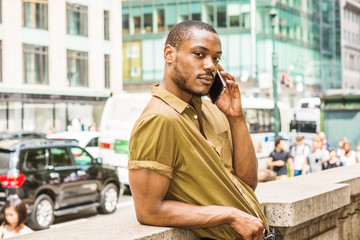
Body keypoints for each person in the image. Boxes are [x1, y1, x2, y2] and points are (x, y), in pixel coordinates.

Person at [128, 20, 273, 240]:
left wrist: (236, 118)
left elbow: (248, 182)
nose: (210, 66)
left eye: (216, 58)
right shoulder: (159, 119)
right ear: (169, 54)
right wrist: (230, 216)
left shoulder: (213, 110)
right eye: (199, 54)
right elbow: (148, 210)